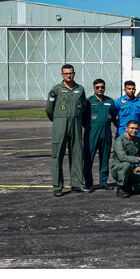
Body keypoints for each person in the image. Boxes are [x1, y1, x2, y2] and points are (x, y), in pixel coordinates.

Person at [45, 64, 89, 195]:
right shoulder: (56, 89)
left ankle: (77, 184)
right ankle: (57, 186)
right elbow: (49, 108)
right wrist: (58, 120)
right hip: (61, 124)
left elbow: (84, 107)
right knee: (58, 154)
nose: (68, 75)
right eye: (66, 73)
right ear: (62, 75)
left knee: (77, 153)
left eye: (70, 73)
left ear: (74, 74)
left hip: (76, 123)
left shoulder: (80, 89)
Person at [83, 78, 116, 190]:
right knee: (89, 157)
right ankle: (88, 182)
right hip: (92, 133)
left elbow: (113, 116)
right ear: (94, 88)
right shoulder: (88, 101)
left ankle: (103, 181)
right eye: (98, 87)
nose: (100, 89)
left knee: (105, 156)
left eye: (102, 87)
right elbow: (83, 118)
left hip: (106, 132)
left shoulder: (109, 101)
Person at [110, 121, 140, 198]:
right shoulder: (119, 141)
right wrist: (139, 159)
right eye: (132, 128)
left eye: (136, 128)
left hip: (131, 169)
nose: (134, 130)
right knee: (126, 164)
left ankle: (130, 186)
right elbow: (123, 157)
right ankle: (121, 188)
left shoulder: (138, 141)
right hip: (119, 169)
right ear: (126, 128)